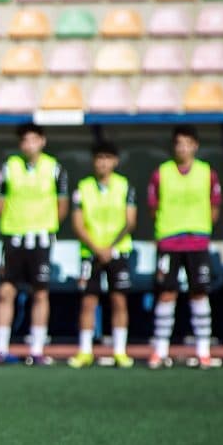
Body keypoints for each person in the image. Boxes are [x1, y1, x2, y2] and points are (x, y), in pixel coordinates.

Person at [0, 122, 67, 366]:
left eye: (33, 140)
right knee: (6, 291)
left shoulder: (54, 169)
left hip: (41, 237)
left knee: (40, 292)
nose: (28, 145)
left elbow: (61, 206)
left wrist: (44, 223)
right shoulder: (9, 167)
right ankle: (0, 349)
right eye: (24, 141)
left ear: (42, 141)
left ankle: (37, 349)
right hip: (13, 237)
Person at [148, 125, 222, 369]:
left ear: (195, 146)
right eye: (178, 143)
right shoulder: (162, 172)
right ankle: (160, 349)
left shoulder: (206, 172)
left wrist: (199, 226)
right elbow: (153, 206)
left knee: (199, 291)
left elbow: (214, 206)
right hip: (169, 240)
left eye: (187, 143)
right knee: (167, 292)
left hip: (197, 241)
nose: (183, 148)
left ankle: (203, 349)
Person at [67, 141, 136, 369]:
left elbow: (130, 221)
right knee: (88, 301)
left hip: (118, 250)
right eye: (99, 158)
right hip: (91, 251)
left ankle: (119, 351)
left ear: (115, 161)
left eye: (107, 157)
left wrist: (110, 247)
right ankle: (85, 351)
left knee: (119, 299)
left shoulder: (125, 186)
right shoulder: (83, 187)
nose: (103, 162)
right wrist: (97, 248)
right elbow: (77, 223)